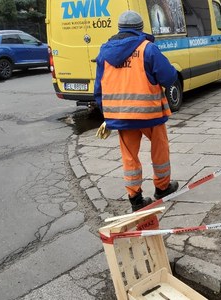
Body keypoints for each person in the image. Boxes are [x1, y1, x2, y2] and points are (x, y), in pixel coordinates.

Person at [93, 10, 179, 212]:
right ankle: (162, 188)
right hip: (150, 115)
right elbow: (168, 77)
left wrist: (106, 115)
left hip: (121, 116)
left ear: (119, 28)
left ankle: (136, 200)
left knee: (129, 156)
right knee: (160, 149)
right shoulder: (148, 49)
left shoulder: (104, 52)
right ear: (141, 29)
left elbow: (99, 88)